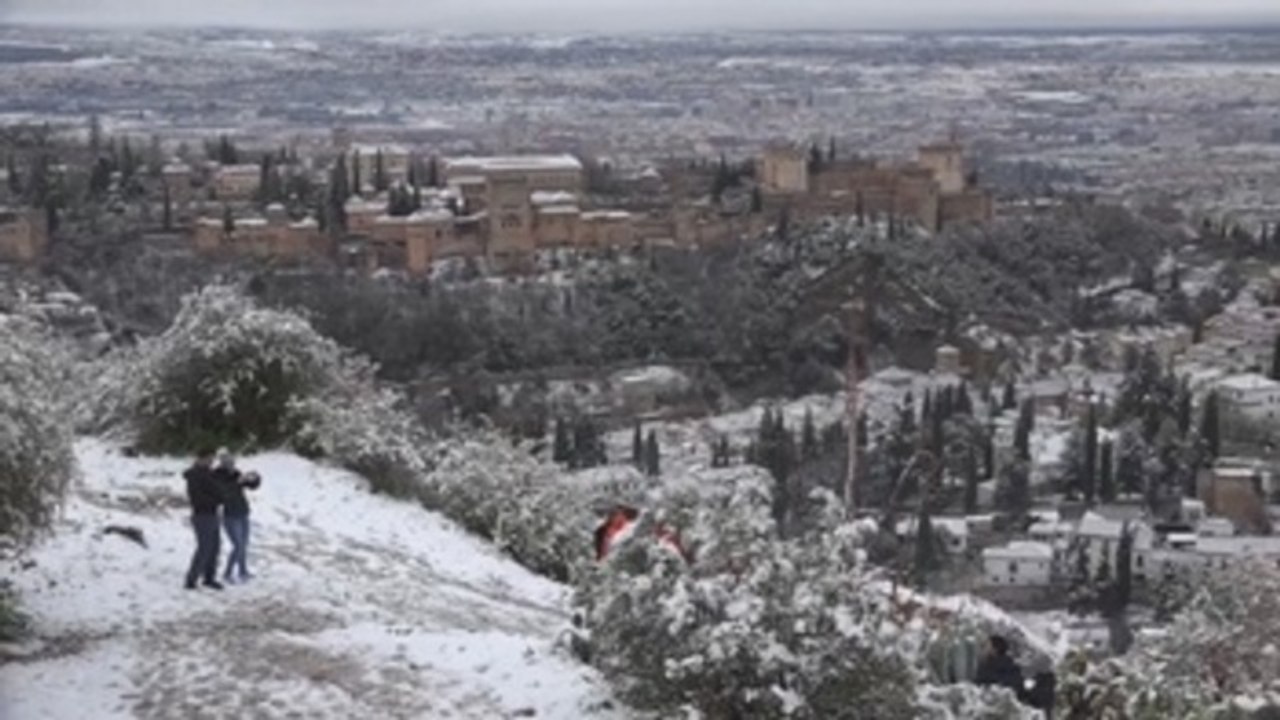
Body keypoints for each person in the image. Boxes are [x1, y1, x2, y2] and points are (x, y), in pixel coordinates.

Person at [213, 450, 261, 584]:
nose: (232, 465)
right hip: (230, 515)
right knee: (238, 545)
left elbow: (250, 486)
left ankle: (242, 571)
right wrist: (237, 482)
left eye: (232, 462)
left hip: (242, 512)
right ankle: (227, 573)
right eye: (229, 462)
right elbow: (224, 491)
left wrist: (254, 479)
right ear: (222, 463)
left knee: (243, 544)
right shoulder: (217, 475)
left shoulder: (236, 473)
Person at [184, 447, 224, 590]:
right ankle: (191, 579)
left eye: (212, 459)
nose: (211, 461)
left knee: (215, 547)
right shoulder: (194, 475)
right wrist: (215, 500)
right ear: (200, 458)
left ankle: (209, 577)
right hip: (202, 515)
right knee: (204, 548)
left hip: (213, 514)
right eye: (208, 459)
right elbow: (197, 497)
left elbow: (219, 489)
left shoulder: (210, 473)